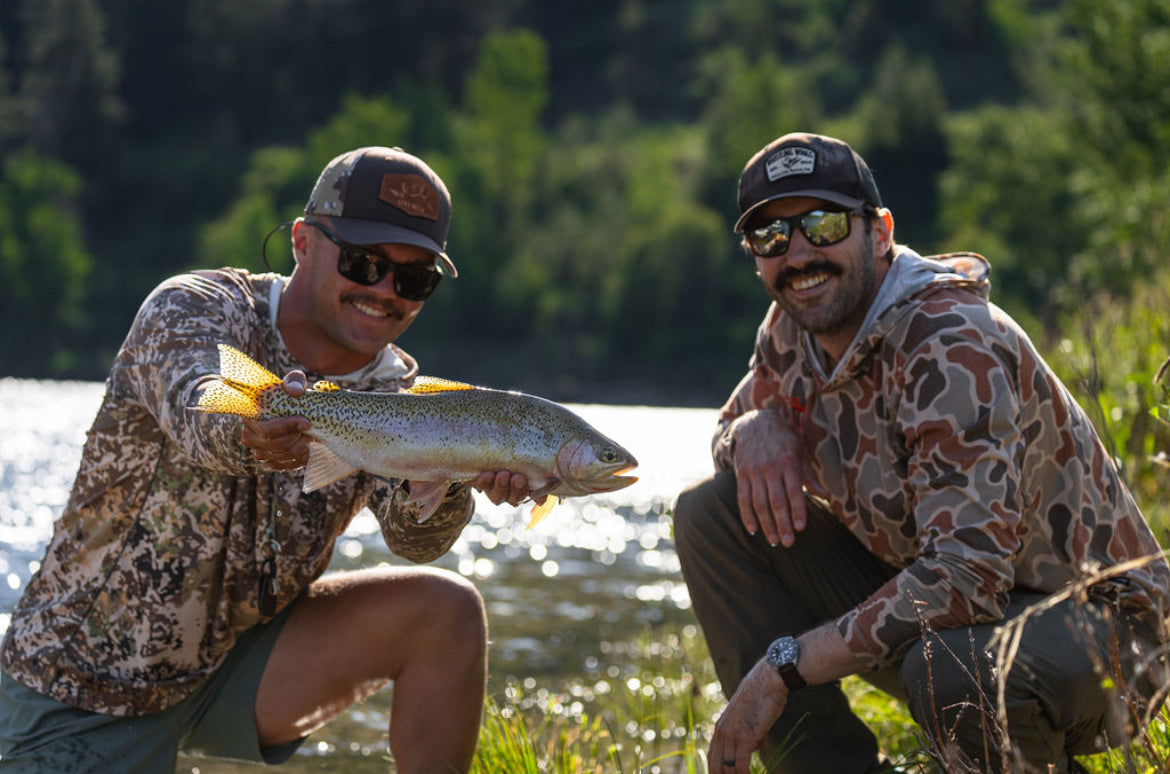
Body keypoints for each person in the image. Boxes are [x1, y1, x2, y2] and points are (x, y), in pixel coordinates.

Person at [0, 146, 541, 773]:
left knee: (447, 611)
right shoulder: (195, 309)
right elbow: (198, 409)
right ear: (304, 243)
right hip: (85, 682)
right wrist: (254, 428)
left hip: (238, 665)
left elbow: (414, 538)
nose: (386, 291)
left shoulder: (397, 395)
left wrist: (455, 481)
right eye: (364, 264)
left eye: (413, 279)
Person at [673, 132, 1170, 774]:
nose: (799, 255)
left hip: (1106, 633)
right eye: (771, 238)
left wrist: (781, 668)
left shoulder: (948, 340)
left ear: (879, 233)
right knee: (711, 517)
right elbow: (732, 426)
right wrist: (749, 430)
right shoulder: (794, 328)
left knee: (953, 670)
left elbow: (968, 575)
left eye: (822, 224)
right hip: (953, 614)